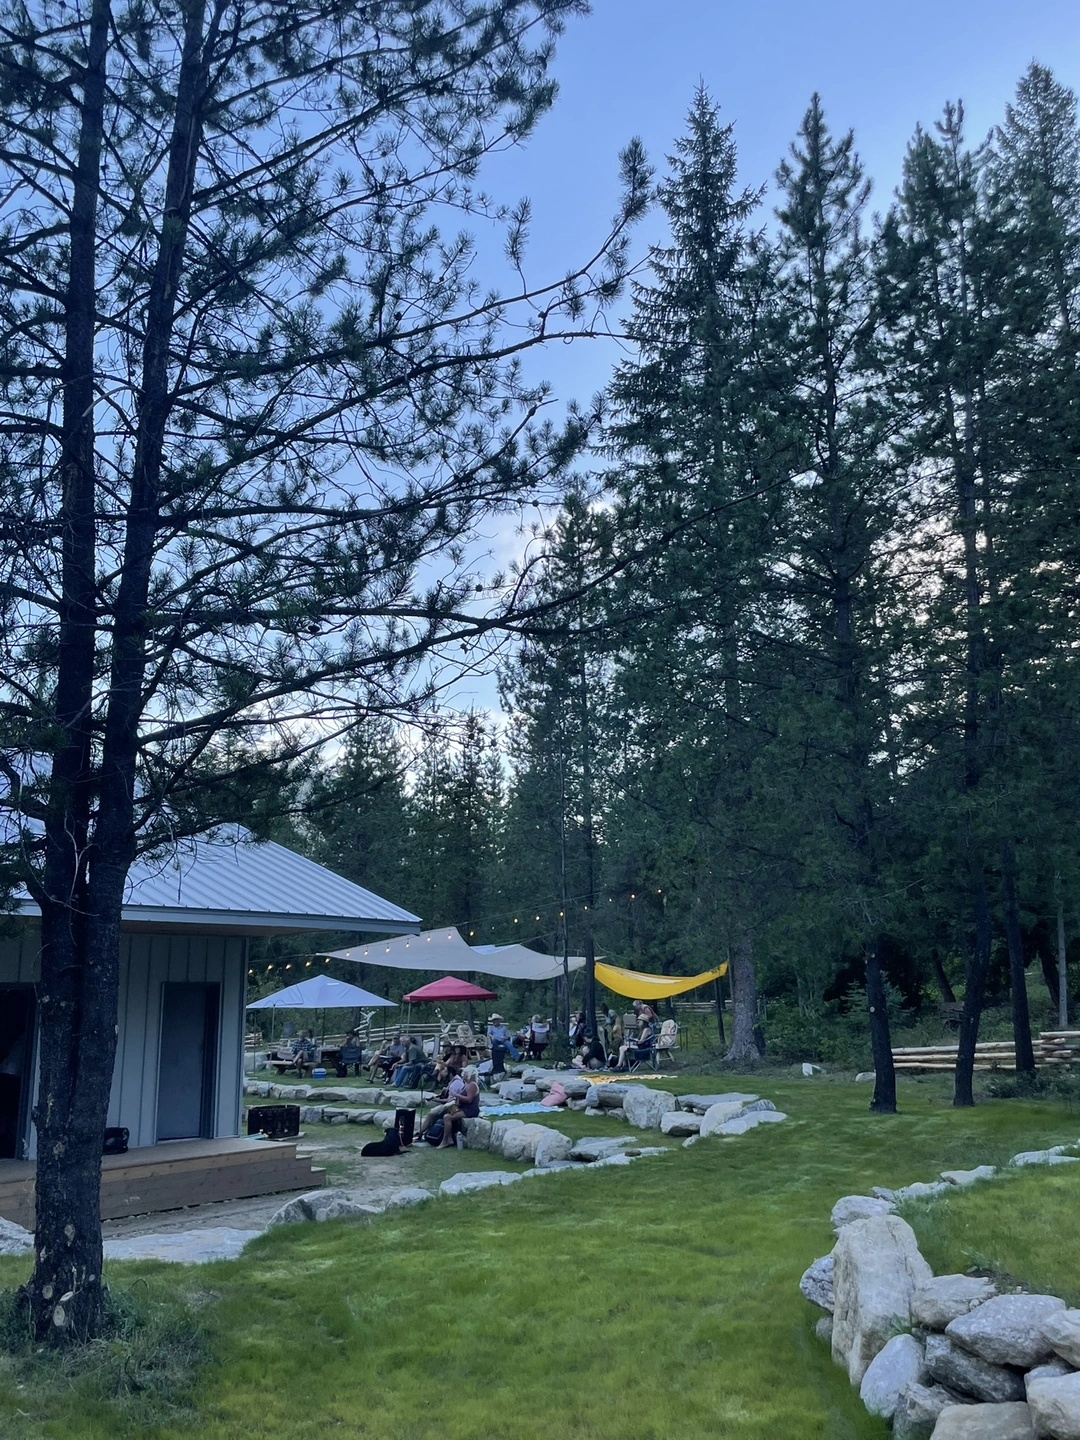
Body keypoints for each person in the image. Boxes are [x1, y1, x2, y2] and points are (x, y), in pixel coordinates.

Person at [438, 1065, 481, 1150]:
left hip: (470, 1110)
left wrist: (456, 1095)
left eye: (465, 1073)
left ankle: (446, 1140)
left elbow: (469, 1099)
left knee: (447, 1117)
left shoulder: (472, 1085)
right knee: (446, 1110)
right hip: (463, 1107)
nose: (463, 1075)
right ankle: (449, 1138)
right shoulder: (467, 1084)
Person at [419, 1065, 465, 1142]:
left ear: (450, 1073)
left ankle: (420, 1133)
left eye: (445, 1071)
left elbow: (449, 1100)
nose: (443, 1073)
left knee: (432, 1113)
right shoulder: (453, 1081)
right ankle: (425, 1132)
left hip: (454, 1107)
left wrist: (435, 1099)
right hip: (451, 1104)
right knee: (434, 1113)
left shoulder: (456, 1083)